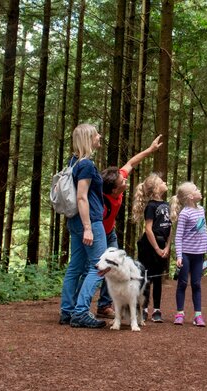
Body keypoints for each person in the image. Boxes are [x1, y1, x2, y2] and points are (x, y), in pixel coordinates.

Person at [93, 136, 164, 319]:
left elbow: (131, 162)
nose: (125, 181)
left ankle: (103, 306)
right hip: (98, 233)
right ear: (115, 190)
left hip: (110, 232)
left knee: (113, 266)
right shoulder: (101, 201)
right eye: (122, 183)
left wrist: (150, 149)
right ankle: (81, 307)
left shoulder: (117, 181)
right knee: (98, 267)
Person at [58, 124, 108, 328]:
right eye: (96, 134)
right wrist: (88, 227)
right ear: (88, 138)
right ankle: (80, 312)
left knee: (76, 266)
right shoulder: (86, 165)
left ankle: (67, 311)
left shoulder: (73, 162)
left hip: (74, 221)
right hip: (89, 221)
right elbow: (81, 197)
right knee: (99, 266)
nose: (99, 136)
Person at [171, 182, 207, 327]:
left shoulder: (201, 210)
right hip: (186, 255)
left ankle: (198, 315)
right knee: (182, 283)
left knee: (196, 284)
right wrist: (179, 256)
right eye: (196, 189)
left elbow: (203, 231)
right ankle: (179, 313)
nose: (199, 190)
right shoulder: (184, 213)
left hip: (199, 254)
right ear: (190, 196)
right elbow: (178, 236)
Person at [131, 173, 172, 322]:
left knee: (158, 278)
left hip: (162, 245)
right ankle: (144, 309)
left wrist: (167, 246)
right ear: (155, 188)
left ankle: (157, 310)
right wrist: (156, 249)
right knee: (148, 278)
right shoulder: (151, 206)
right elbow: (148, 229)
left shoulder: (167, 205)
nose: (165, 182)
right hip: (149, 246)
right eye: (162, 182)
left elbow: (170, 227)